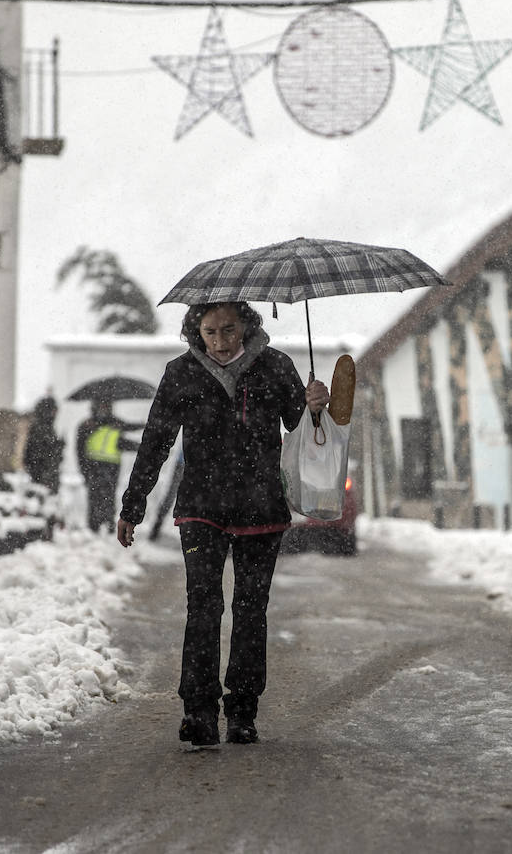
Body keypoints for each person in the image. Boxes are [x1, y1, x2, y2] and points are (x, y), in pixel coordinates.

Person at [116, 301, 329, 747]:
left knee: (250, 610)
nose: (219, 342)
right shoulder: (181, 372)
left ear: (246, 327)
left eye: (228, 331)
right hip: (201, 507)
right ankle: (198, 712)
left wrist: (313, 406)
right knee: (203, 606)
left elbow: (300, 427)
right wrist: (132, 506)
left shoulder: (275, 366)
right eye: (209, 332)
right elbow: (156, 441)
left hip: (261, 507)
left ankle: (243, 711)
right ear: (197, 332)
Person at [76, 399, 139, 533]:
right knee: (95, 495)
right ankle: (94, 525)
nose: (103, 409)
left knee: (109, 496)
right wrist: (83, 469)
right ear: (94, 407)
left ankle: (108, 523)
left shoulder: (116, 423)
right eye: (101, 406)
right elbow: (79, 449)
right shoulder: (87, 425)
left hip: (112, 465)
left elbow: (122, 441)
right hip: (93, 465)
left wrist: (144, 442)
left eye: (106, 406)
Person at [22, 395, 65, 492]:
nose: (56, 414)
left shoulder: (45, 427)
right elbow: (40, 454)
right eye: (54, 410)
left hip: (45, 476)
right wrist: (57, 446)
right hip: (44, 477)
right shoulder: (41, 428)